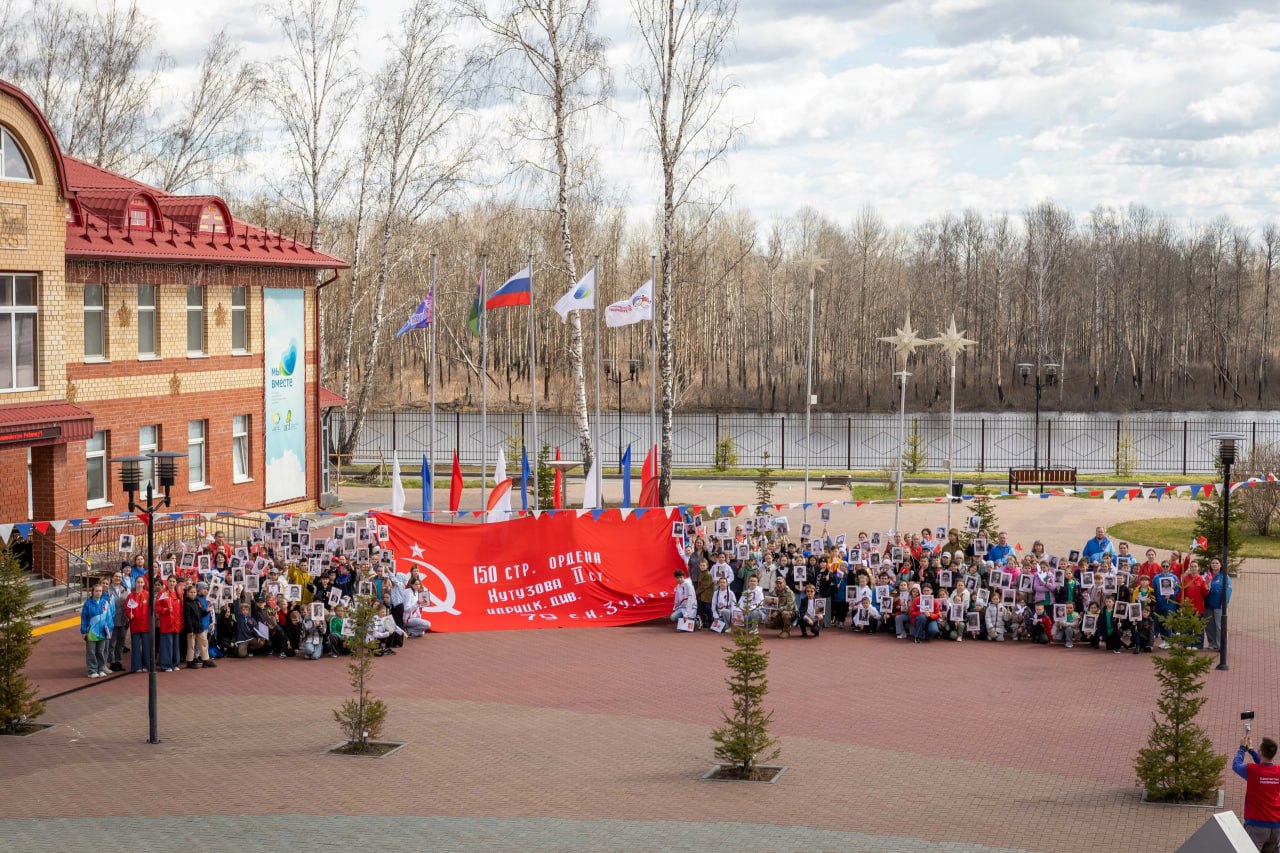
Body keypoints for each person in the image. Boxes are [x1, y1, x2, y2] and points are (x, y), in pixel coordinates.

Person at [1234, 735, 1280, 852]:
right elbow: (1264, 766)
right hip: (1276, 827)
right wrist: (1251, 750)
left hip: (1256, 826)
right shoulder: (1278, 771)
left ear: (1261, 752)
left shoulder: (1252, 770)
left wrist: (1242, 749)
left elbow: (1236, 765)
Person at [80, 583, 112, 678]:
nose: (98, 593)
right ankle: (92, 671)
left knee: (100, 651)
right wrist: (83, 631)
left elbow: (109, 617)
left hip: (102, 632)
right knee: (91, 652)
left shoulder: (105, 603)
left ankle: (100, 669)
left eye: (100, 591)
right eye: (96, 591)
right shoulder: (88, 604)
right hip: (91, 632)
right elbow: (84, 618)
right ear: (92, 592)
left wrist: (109, 628)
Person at [182, 583, 215, 669]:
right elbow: (187, 618)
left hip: (199, 627)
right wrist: (190, 630)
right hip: (192, 628)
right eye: (191, 592)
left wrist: (206, 611)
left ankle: (205, 659)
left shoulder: (197, 602)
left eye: (194, 592)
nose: (193, 594)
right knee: (191, 645)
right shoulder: (186, 604)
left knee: (204, 642)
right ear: (187, 593)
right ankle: (190, 661)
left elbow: (200, 614)